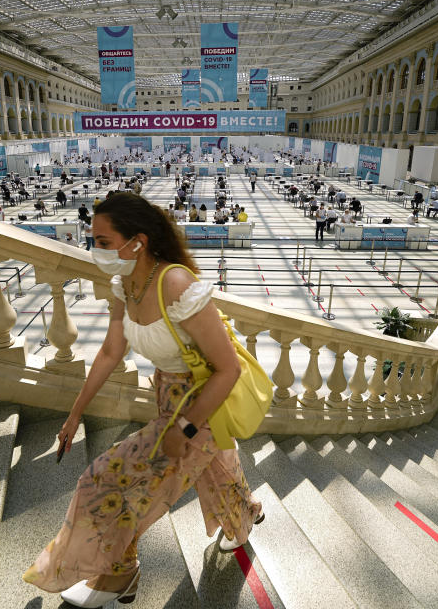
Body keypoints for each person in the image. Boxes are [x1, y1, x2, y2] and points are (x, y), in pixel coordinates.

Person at [22, 192, 262, 605]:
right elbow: (111, 352)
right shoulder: (125, 284)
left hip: (201, 406)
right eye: (92, 239)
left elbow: (228, 369)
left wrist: (185, 428)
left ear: (138, 241)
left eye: (103, 241)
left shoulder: (176, 285)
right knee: (217, 471)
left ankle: (121, 573)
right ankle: (247, 514)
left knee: (105, 481)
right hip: (167, 395)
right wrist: (75, 414)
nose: (95, 250)